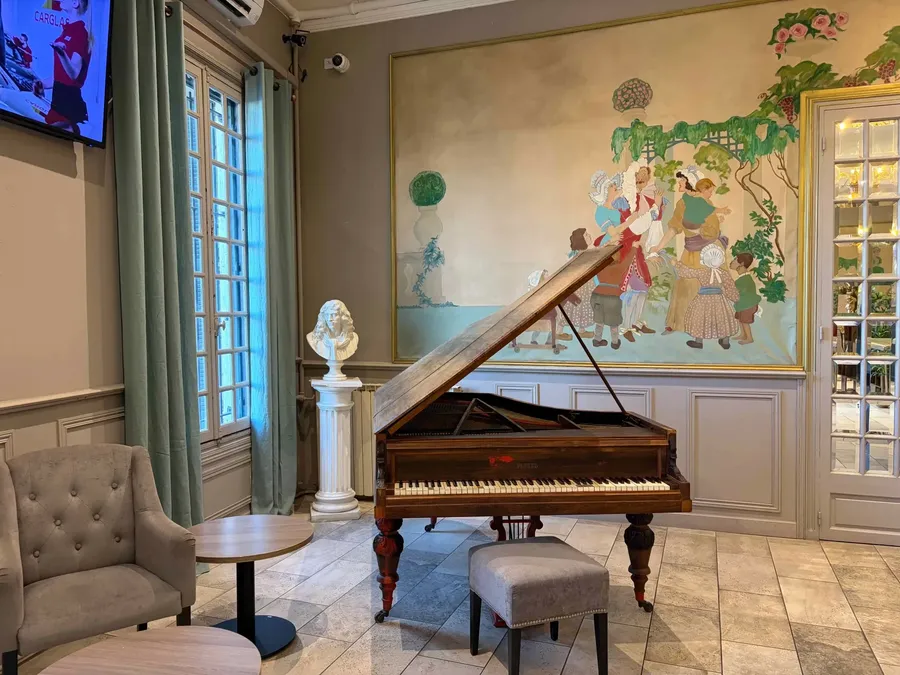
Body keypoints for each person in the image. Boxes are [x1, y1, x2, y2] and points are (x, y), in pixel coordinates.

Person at [651, 169, 731, 335]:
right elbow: (674, 228)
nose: (678, 185)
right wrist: (658, 247)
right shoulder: (682, 204)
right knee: (685, 285)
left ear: (690, 183)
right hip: (690, 251)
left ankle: (709, 327)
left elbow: (712, 230)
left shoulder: (705, 204)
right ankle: (680, 323)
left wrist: (707, 226)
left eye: (681, 182)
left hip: (708, 252)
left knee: (707, 287)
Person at [37, 0, 92, 134]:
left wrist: (61, 54)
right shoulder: (68, 31)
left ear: (75, 3)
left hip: (68, 105)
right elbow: (59, 77)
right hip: (58, 103)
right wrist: (41, 84)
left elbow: (74, 74)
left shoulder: (80, 33)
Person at [675, 241, 740, 350]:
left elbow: (687, 272)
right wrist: (735, 298)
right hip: (720, 300)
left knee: (700, 318)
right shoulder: (724, 273)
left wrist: (678, 265)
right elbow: (730, 287)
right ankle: (725, 341)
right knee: (722, 318)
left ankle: (699, 341)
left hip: (703, 300)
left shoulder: (702, 272)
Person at [566, 228, 596, 337]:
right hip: (581, 285)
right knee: (575, 307)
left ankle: (582, 330)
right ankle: (559, 332)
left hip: (585, 284)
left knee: (583, 306)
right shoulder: (580, 254)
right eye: (586, 235)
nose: (589, 236)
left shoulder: (584, 252)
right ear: (581, 240)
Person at [730, 252, 762, 345]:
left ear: (742, 263)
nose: (732, 262)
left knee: (744, 321)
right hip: (742, 304)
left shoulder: (745, 279)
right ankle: (743, 334)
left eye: (735, 260)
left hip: (748, 305)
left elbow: (738, 290)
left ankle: (749, 338)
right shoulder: (742, 278)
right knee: (740, 319)